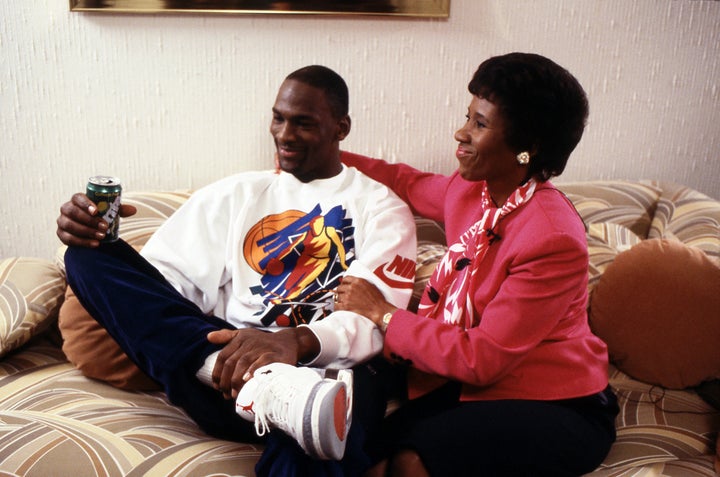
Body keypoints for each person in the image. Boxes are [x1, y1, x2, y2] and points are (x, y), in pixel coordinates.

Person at [56, 65, 417, 475]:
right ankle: (264, 388)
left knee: (322, 433)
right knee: (85, 258)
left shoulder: (382, 209)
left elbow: (372, 321)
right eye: (278, 118)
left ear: (341, 127)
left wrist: (294, 343)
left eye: (303, 123)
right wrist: (101, 238)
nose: (284, 134)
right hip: (228, 375)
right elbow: (164, 293)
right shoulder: (236, 194)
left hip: (327, 378)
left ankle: (290, 398)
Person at [334, 52, 619, 477]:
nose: (460, 133)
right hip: (476, 385)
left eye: (480, 124)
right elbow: (405, 182)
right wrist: (326, 155)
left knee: (412, 462)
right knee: (364, 458)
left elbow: (481, 358)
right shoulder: (472, 191)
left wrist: (383, 312)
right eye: (468, 117)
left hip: (556, 403)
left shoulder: (553, 239)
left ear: (529, 147)